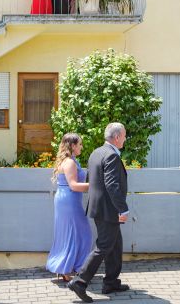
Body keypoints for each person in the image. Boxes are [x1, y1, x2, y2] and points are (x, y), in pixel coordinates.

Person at [68, 123, 129, 303]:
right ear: (117, 137)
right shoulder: (111, 155)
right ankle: (79, 282)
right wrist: (122, 208)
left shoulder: (97, 152)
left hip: (99, 207)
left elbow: (91, 179)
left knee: (115, 244)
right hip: (108, 209)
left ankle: (110, 282)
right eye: (124, 135)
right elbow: (111, 185)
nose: (125, 139)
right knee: (103, 246)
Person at [46, 133, 92, 281]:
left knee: (71, 234)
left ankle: (66, 269)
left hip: (67, 200)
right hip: (69, 200)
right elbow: (74, 185)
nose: (81, 147)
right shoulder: (70, 162)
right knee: (82, 234)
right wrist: (96, 186)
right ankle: (71, 268)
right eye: (79, 144)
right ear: (72, 146)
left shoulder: (70, 160)